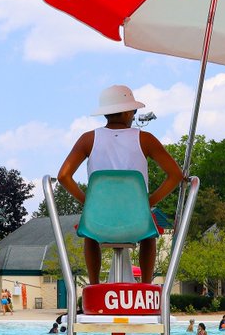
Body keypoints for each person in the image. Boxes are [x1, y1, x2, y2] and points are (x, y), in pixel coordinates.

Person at [56, 84, 185, 285]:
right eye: (133, 111)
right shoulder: (145, 139)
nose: (134, 115)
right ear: (126, 112)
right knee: (149, 235)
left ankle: (94, 283)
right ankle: (146, 285)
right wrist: (148, 202)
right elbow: (176, 175)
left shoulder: (88, 139)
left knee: (90, 236)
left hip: (99, 219)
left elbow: (64, 176)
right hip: (136, 219)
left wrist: (87, 203)